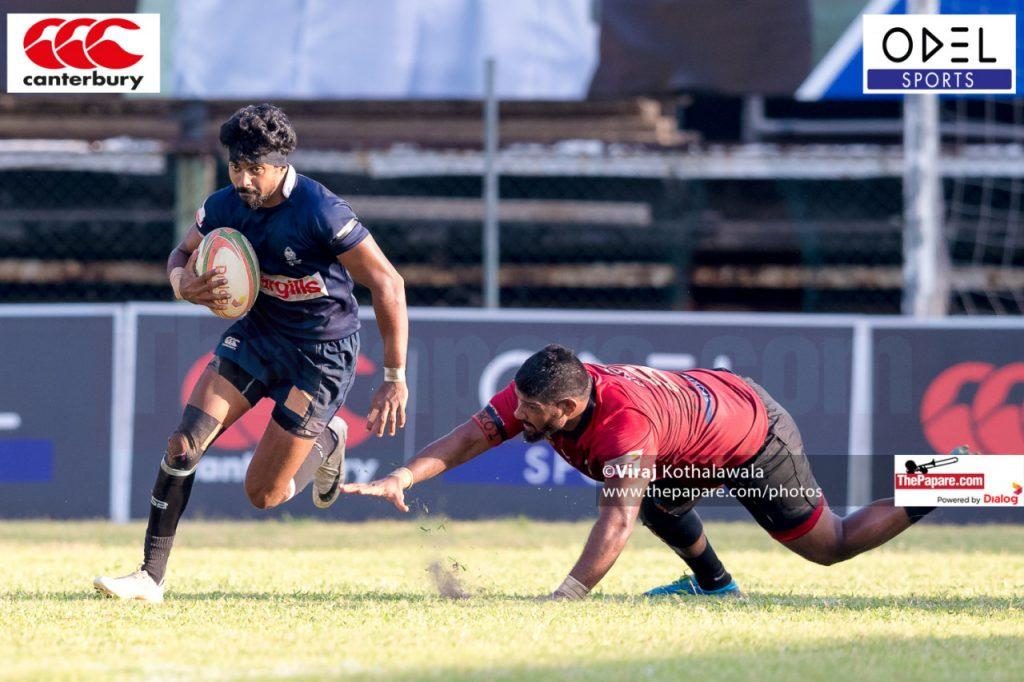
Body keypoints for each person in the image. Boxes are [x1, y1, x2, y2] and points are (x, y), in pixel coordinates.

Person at [94, 104, 409, 603]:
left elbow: (388, 283)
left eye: (255, 169)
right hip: (258, 337)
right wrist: (181, 283)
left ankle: (328, 438)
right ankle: (149, 578)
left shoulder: (321, 211)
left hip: (320, 356)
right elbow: (181, 254)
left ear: (281, 164)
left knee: (264, 494)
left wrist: (394, 376)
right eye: (235, 166)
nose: (243, 179)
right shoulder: (223, 205)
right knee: (182, 445)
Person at [341, 344, 937, 600]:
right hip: (700, 424)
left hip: (753, 437)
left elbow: (616, 523)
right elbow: (471, 436)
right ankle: (716, 588)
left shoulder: (624, 428)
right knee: (656, 497)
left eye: (530, 410)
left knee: (832, 544)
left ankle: (955, 476)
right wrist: (403, 478)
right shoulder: (542, 395)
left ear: (567, 407)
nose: (516, 416)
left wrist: (566, 598)